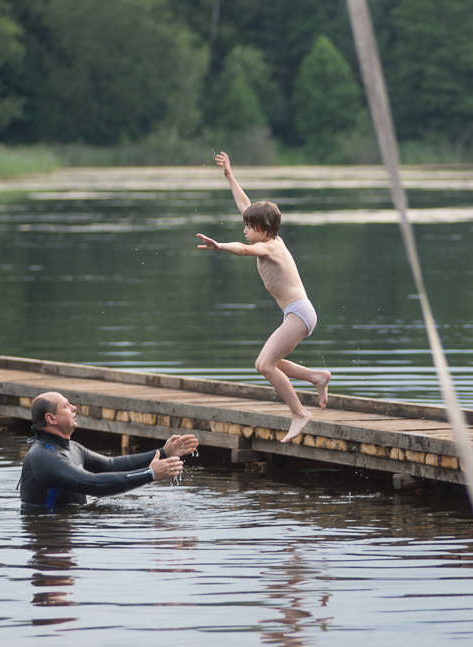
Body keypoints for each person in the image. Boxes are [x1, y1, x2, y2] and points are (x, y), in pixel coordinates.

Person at [196, 151, 331, 444]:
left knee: (266, 365)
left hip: (299, 313)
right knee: (267, 363)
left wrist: (219, 246)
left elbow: (244, 251)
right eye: (244, 226)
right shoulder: (272, 237)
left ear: (266, 230)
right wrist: (230, 176)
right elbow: (246, 206)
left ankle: (299, 413)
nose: (244, 231)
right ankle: (317, 377)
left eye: (249, 228)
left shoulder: (269, 247)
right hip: (297, 313)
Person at [18, 391, 198, 510]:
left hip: (69, 526)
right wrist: (150, 473)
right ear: (51, 419)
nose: (74, 408)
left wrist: (164, 452)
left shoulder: (72, 448)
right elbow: (93, 484)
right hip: (48, 534)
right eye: (66, 406)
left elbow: (111, 465)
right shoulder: (44, 457)